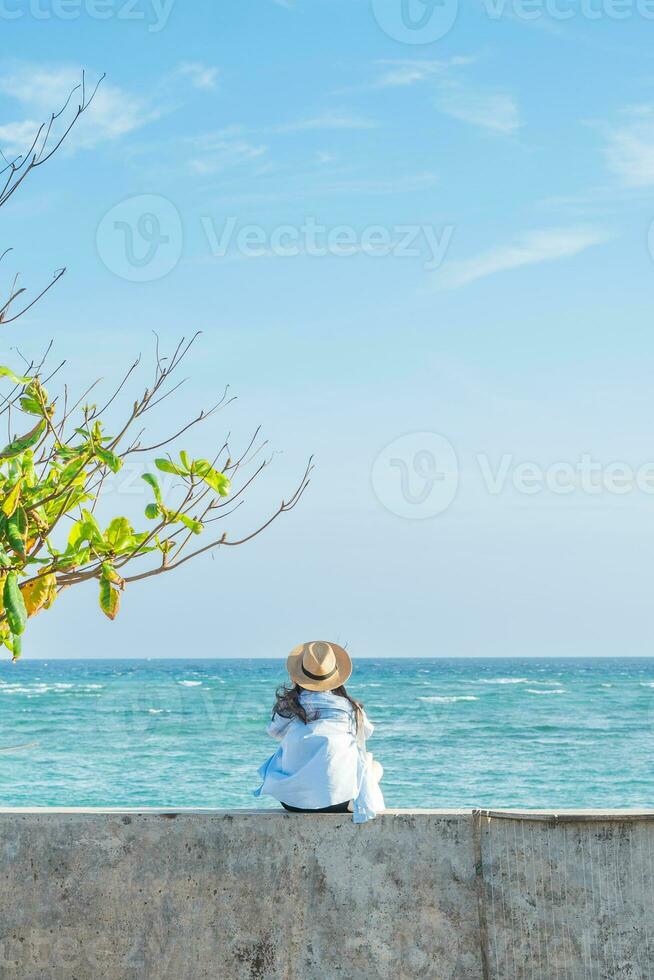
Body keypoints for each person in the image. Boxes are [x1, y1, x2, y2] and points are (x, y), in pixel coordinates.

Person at [253, 641, 385, 823]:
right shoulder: (350, 708)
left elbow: (274, 732)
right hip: (338, 801)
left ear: (297, 677)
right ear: (337, 677)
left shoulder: (289, 706)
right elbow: (365, 734)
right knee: (374, 767)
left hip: (292, 802)